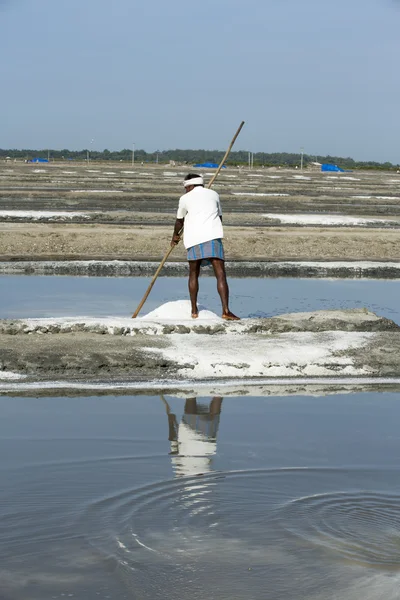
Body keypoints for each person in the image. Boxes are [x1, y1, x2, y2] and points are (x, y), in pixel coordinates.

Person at [170, 173, 240, 320]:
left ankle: (194, 310)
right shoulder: (214, 194)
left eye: (186, 188)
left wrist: (175, 236)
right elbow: (219, 217)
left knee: (193, 273)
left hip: (194, 238)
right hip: (213, 236)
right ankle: (226, 310)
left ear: (189, 186)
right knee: (220, 274)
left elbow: (179, 221)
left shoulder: (185, 198)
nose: (185, 190)